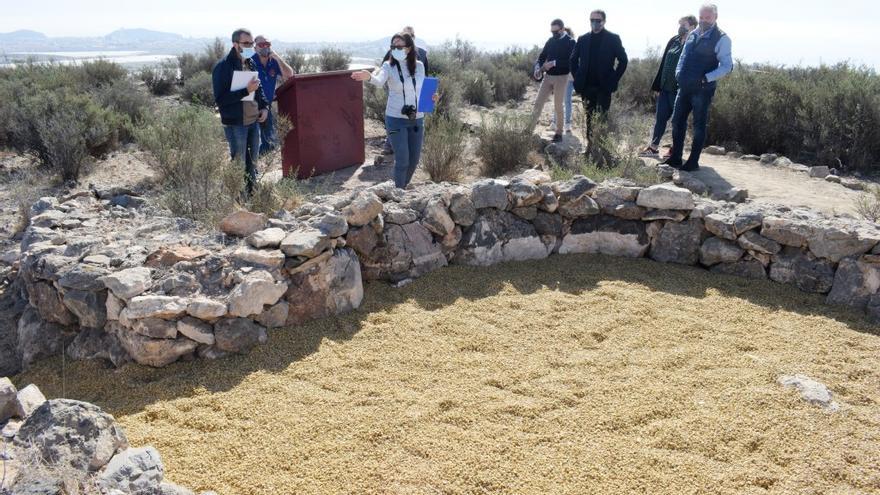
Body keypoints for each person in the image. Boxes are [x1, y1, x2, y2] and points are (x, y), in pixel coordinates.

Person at [352, 33, 429, 189]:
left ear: (408, 48)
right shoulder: (388, 66)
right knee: (402, 160)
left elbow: (422, 90)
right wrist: (369, 77)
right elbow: (380, 81)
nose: (395, 49)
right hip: (395, 119)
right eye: (393, 47)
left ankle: (401, 188)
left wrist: (431, 98)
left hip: (417, 119)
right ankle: (398, 193)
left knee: (414, 160)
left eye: (399, 47)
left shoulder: (419, 66)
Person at [663, 4, 733, 171]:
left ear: (715, 17)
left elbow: (727, 66)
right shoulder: (693, 34)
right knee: (677, 121)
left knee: (699, 126)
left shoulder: (722, 38)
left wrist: (706, 78)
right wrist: (678, 72)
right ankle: (675, 159)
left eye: (707, 18)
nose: (703, 21)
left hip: (702, 90)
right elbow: (683, 56)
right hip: (684, 87)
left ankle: (693, 162)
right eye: (701, 17)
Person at [212, 28, 269, 196]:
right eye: (246, 43)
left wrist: (265, 107)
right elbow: (221, 99)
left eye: (251, 43)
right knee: (239, 163)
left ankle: (252, 195)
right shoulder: (223, 67)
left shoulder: (249, 62)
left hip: (253, 120)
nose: (250, 46)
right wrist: (245, 90)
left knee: (253, 162)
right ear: (235, 44)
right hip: (236, 123)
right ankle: (238, 198)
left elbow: (258, 90)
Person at [640, 15, 698, 158]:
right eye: (679, 24)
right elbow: (664, 63)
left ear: (692, 26)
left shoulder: (695, 43)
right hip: (665, 88)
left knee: (678, 121)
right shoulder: (674, 40)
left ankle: (675, 149)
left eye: (683, 24)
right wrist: (658, 86)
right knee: (660, 118)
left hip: (680, 90)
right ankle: (653, 148)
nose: (680, 27)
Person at [570, 9, 628, 147]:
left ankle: (601, 148)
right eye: (592, 20)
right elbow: (573, 60)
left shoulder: (613, 38)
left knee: (602, 119)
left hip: (604, 87)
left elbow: (623, 61)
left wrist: (614, 79)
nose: (595, 23)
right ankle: (590, 148)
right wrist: (578, 77)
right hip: (586, 87)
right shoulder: (583, 39)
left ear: (604, 21)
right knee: (589, 118)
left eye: (598, 20)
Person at [382, 26, 429, 155]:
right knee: (396, 114)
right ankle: (390, 142)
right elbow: (384, 68)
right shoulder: (393, 50)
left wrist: (427, 96)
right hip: (396, 88)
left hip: (414, 92)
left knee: (413, 117)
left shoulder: (421, 53)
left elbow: (425, 75)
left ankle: (410, 146)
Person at [528, 19, 577, 142]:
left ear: (562, 29)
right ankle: (528, 130)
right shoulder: (550, 41)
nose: (553, 34)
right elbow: (541, 56)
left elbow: (571, 62)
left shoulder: (570, 42)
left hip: (562, 77)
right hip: (548, 77)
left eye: (556, 32)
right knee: (538, 103)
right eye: (552, 32)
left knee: (558, 105)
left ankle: (559, 133)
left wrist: (554, 63)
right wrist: (538, 67)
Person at [251, 35, 295, 155]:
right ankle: (251, 168)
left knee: (269, 144)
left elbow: (290, 75)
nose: (265, 47)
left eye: (267, 44)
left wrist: (277, 57)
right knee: (253, 142)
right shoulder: (250, 62)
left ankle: (258, 167)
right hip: (251, 107)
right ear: (255, 48)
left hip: (267, 107)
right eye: (261, 45)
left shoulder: (274, 62)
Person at [550, 27, 577, 134]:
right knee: (560, 101)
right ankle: (555, 123)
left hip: (569, 78)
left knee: (566, 101)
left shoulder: (573, 45)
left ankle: (567, 124)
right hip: (560, 78)